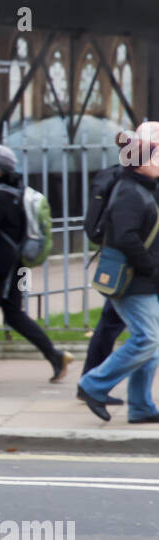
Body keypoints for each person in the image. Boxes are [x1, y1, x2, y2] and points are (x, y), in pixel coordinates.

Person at [0, 145, 73, 384]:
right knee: (13, 313)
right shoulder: (15, 191)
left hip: (1, 267)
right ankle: (55, 356)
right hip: (17, 264)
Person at [80, 123, 159, 423]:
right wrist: (151, 267)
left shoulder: (144, 189)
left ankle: (140, 407)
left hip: (144, 279)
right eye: (156, 157)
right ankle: (93, 384)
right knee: (147, 339)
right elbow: (125, 237)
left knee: (150, 344)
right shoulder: (129, 191)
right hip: (133, 281)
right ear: (140, 164)